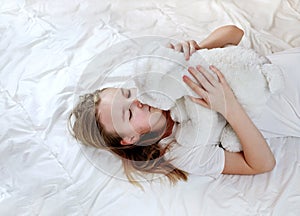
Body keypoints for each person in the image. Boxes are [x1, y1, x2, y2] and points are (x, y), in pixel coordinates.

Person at [69, 25, 300, 185]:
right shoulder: (182, 150)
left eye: (128, 93)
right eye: (128, 113)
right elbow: (262, 164)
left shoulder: (162, 80)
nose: (137, 101)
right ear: (129, 139)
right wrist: (228, 106)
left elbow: (234, 33)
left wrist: (198, 49)